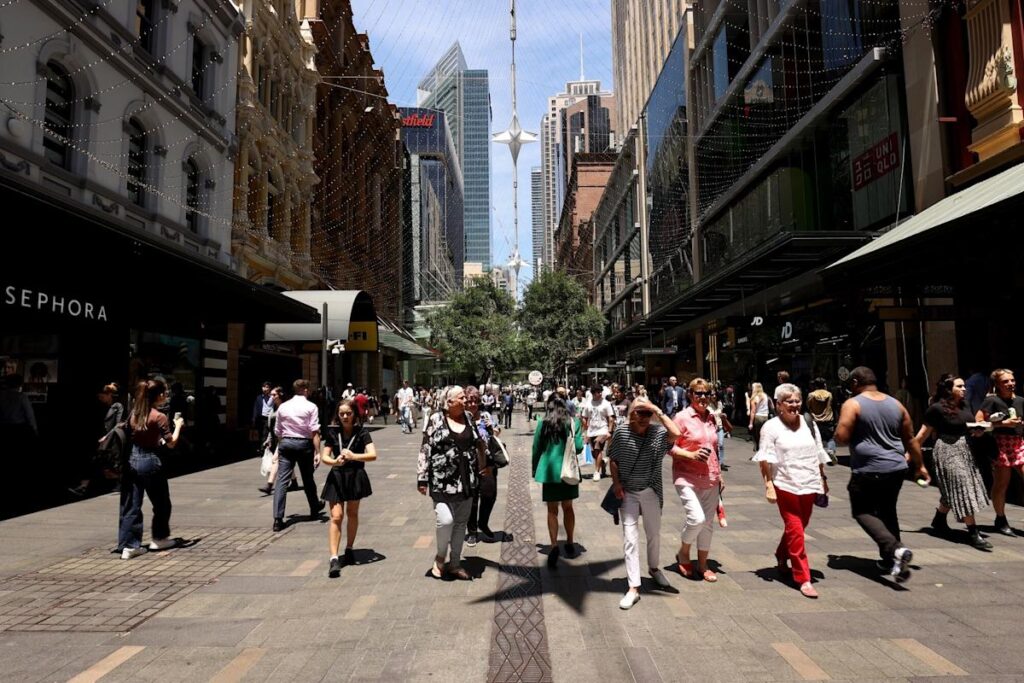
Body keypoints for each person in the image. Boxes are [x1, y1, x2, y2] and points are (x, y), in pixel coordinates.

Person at [836, 366, 929, 582]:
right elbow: (910, 439)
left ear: (856, 382)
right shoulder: (896, 404)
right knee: (888, 511)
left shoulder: (853, 404)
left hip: (868, 468)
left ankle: (894, 548)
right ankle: (891, 560)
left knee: (862, 511)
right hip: (896, 467)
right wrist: (920, 466)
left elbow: (841, 436)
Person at [755, 383, 831, 598]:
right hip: (785, 484)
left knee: (800, 525)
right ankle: (803, 577)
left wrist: (823, 479)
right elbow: (764, 458)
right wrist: (769, 486)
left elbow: (818, 452)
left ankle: (781, 553)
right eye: (789, 401)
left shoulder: (809, 422)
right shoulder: (771, 427)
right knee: (796, 529)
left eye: (797, 400)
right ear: (778, 404)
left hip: (809, 482)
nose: (794, 405)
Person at [609, 396, 681, 609]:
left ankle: (654, 568)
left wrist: (656, 409)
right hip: (628, 491)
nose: (644, 417)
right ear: (632, 413)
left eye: (647, 413)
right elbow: (613, 459)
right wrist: (616, 483)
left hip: (651, 490)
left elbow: (676, 433)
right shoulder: (621, 432)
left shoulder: (657, 433)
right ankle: (633, 587)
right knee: (630, 539)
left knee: (654, 534)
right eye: (640, 412)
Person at [417, 386, 489, 580]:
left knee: (460, 523)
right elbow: (425, 448)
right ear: (449, 402)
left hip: (467, 480)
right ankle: (440, 557)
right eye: (461, 398)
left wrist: (484, 463)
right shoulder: (436, 419)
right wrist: (421, 477)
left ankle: (455, 563)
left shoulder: (468, 417)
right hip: (442, 481)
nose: (466, 401)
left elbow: (478, 442)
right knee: (446, 520)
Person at [914, 375, 992, 549]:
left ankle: (939, 519)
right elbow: (922, 435)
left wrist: (978, 431)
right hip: (946, 450)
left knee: (952, 489)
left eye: (964, 386)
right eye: (960, 386)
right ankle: (973, 532)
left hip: (965, 450)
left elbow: (968, 427)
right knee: (962, 487)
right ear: (949, 389)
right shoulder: (936, 409)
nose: (964, 389)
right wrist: (908, 454)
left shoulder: (965, 405)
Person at [118, 379, 183, 559]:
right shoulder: (159, 416)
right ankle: (159, 539)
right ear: (159, 395)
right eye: (164, 393)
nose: (166, 396)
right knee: (162, 503)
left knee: (132, 505)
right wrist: (178, 426)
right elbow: (171, 443)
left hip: (132, 460)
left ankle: (129, 546)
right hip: (151, 461)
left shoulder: (134, 414)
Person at [670, 378, 725, 583]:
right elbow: (668, 446)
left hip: (710, 476)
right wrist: (690, 455)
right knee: (696, 519)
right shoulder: (681, 418)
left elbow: (714, 448)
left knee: (708, 523)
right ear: (690, 395)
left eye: (706, 393)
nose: (703, 397)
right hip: (686, 476)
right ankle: (684, 552)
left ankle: (703, 564)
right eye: (698, 393)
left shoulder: (711, 417)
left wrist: (720, 474)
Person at [321, 399, 376, 577]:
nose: (345, 417)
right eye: (341, 414)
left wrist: (353, 456)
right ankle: (334, 558)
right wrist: (335, 461)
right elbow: (324, 456)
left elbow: (372, 454)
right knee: (336, 516)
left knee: (352, 513)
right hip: (337, 477)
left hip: (355, 476)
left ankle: (349, 548)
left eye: (348, 413)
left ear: (354, 414)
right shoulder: (333, 432)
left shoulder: (362, 432)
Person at [532, 394, 583, 566]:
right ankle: (569, 541)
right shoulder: (573, 423)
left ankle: (554, 545)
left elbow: (536, 448)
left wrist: (535, 469)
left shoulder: (542, 423)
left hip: (549, 472)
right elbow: (579, 447)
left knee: (551, 510)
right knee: (568, 507)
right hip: (568, 472)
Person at [976, 369, 1024, 536]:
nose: (1010, 384)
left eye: (1012, 380)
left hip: (1019, 443)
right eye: (1005, 381)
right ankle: (1000, 519)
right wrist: (1003, 424)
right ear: (997, 384)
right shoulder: (992, 400)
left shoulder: (1020, 400)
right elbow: (979, 422)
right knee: (1002, 483)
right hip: (1000, 444)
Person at [272, 379, 324, 532]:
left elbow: (278, 430)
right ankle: (314, 508)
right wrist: (318, 452)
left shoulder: (283, 407)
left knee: (282, 481)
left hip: (286, 443)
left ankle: (277, 519)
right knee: (307, 478)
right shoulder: (311, 407)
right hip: (304, 444)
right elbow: (315, 431)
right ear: (305, 390)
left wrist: (281, 445)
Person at [71, 383, 125, 497]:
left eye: (102, 396)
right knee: (96, 462)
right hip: (105, 439)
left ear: (109, 395)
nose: (100, 399)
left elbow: (119, 424)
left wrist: (107, 436)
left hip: (113, 439)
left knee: (111, 464)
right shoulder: (105, 406)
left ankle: (120, 482)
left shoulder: (118, 406)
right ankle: (84, 486)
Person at [465, 386, 500, 545]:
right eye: (469, 401)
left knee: (489, 494)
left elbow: (496, 432)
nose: (473, 404)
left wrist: (492, 429)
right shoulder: (461, 418)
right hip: (468, 464)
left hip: (487, 462)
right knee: (471, 499)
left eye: (475, 401)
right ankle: (472, 531)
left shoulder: (486, 416)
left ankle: (483, 522)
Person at [581, 384, 615, 481]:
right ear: (593, 393)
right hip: (592, 430)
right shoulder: (588, 403)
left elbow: (611, 418)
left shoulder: (606, 403)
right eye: (597, 392)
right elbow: (584, 417)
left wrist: (609, 431)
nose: (600, 394)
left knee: (597, 446)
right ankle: (602, 462)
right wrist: (585, 430)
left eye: (600, 392)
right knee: (593, 453)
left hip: (603, 429)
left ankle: (596, 472)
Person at [806, 377, 837, 464]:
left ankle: (816, 456)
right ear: (824, 385)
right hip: (828, 421)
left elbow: (808, 406)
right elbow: (833, 406)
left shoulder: (811, 395)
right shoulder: (829, 394)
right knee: (830, 438)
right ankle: (831, 450)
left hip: (815, 421)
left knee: (815, 439)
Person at [707, 389, 732, 471]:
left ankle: (721, 463)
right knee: (712, 445)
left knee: (720, 445)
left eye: (715, 394)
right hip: (711, 428)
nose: (714, 396)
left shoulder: (719, 404)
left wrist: (723, 415)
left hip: (720, 426)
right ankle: (712, 462)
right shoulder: (707, 405)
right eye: (712, 395)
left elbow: (720, 414)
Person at [748, 382, 771, 451]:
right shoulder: (765, 396)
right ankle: (764, 448)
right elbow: (771, 405)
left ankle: (758, 448)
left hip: (758, 417)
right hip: (765, 416)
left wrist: (751, 423)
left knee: (757, 435)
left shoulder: (754, 397)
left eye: (752, 388)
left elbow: (753, 411)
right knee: (764, 434)